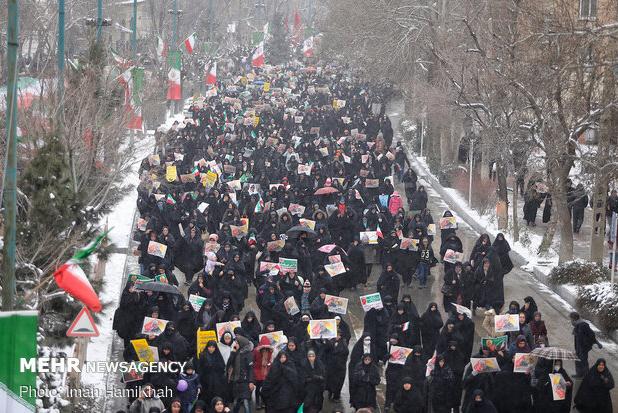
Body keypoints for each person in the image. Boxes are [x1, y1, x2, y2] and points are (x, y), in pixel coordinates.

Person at [226, 332, 255, 413]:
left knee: (246, 402)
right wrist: (233, 353)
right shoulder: (236, 353)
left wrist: (251, 381)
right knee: (236, 403)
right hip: (236, 381)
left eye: (237, 342)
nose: (235, 344)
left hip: (245, 381)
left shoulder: (248, 354)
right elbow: (229, 364)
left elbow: (250, 368)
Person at [570, 312, 602, 377]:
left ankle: (586, 376)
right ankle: (579, 374)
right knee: (577, 360)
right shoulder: (577, 325)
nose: (571, 321)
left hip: (583, 347)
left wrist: (597, 343)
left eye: (571, 319)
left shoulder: (583, 325)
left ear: (574, 318)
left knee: (583, 361)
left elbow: (591, 334)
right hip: (579, 347)